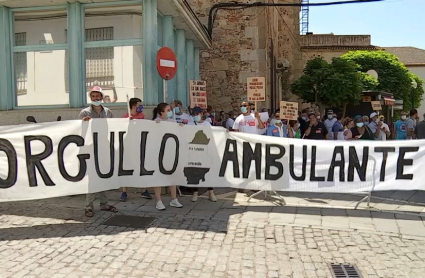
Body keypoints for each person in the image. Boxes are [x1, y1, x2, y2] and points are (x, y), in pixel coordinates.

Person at [79, 86, 118, 217]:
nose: (95, 98)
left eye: (98, 96)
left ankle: (104, 204)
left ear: (102, 97)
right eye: (93, 96)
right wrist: (84, 124)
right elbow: (79, 131)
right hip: (90, 148)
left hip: (104, 147)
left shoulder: (108, 111)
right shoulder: (84, 113)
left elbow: (115, 126)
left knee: (103, 175)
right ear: (91, 98)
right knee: (92, 178)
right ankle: (88, 206)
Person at [152, 103, 184, 210]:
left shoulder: (172, 122)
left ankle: (174, 199)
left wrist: (181, 127)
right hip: (158, 153)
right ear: (162, 112)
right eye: (168, 109)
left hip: (170, 152)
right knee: (158, 178)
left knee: (172, 177)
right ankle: (158, 201)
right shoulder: (156, 122)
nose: (170, 111)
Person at [120, 98, 152, 202]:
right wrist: (127, 123)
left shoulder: (141, 116)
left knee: (142, 166)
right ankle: (124, 191)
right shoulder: (125, 117)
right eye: (139, 105)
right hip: (129, 146)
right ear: (134, 106)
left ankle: (144, 189)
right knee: (126, 168)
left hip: (140, 144)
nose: (141, 107)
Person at [189, 106, 217, 202]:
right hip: (194, 151)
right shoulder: (190, 124)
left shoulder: (207, 124)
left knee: (208, 172)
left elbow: (212, 135)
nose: (196, 116)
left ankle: (211, 192)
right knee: (195, 172)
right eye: (194, 114)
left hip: (205, 151)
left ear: (201, 114)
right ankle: (195, 192)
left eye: (197, 114)